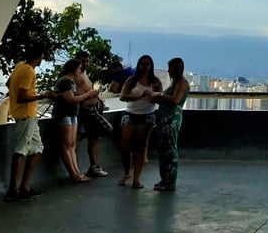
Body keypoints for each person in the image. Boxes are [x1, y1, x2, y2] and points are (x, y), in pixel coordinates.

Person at [4, 44, 56, 202]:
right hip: (26, 114)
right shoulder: (28, 71)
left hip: (27, 115)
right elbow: (22, 96)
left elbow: (9, 84)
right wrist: (42, 95)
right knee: (21, 150)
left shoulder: (19, 66)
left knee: (37, 149)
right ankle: (13, 189)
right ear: (38, 57)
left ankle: (24, 187)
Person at [52, 59, 99, 183]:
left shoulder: (71, 82)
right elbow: (71, 99)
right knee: (67, 144)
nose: (80, 71)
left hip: (72, 114)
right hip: (64, 114)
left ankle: (77, 171)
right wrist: (88, 93)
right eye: (79, 68)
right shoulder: (64, 82)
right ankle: (73, 173)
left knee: (72, 144)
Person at [118, 55, 162, 189]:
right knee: (125, 146)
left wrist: (153, 96)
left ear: (151, 66)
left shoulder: (155, 82)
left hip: (147, 115)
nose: (145, 66)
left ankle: (136, 179)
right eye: (142, 64)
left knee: (140, 147)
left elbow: (160, 98)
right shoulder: (132, 80)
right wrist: (139, 96)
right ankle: (127, 172)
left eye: (148, 64)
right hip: (131, 114)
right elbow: (123, 96)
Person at [151, 57, 190, 192]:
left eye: (170, 68)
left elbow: (175, 100)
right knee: (163, 150)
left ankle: (170, 182)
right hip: (164, 119)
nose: (168, 71)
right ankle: (164, 179)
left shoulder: (182, 83)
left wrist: (159, 95)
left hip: (171, 120)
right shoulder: (173, 84)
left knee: (170, 149)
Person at [72, 50, 110, 178]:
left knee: (94, 138)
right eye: (83, 61)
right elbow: (75, 93)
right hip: (85, 110)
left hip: (94, 107)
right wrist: (86, 98)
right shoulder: (74, 75)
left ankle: (93, 166)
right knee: (106, 128)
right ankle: (74, 170)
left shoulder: (84, 73)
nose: (85, 63)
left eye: (87, 61)